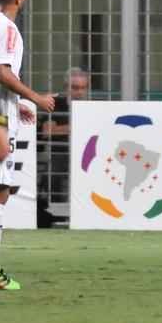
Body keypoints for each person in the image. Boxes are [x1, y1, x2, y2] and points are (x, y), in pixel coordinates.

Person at [0, 0, 56, 290]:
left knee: (1, 188)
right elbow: (1, 71)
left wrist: (16, 100)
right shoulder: (6, 28)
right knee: (0, 184)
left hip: (5, 110)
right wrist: (33, 97)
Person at [38, 67, 90, 224]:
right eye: (75, 88)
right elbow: (47, 131)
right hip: (60, 152)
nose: (79, 92)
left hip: (86, 154)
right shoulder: (57, 103)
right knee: (54, 172)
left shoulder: (92, 105)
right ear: (66, 87)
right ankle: (56, 213)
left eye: (82, 88)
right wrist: (75, 127)